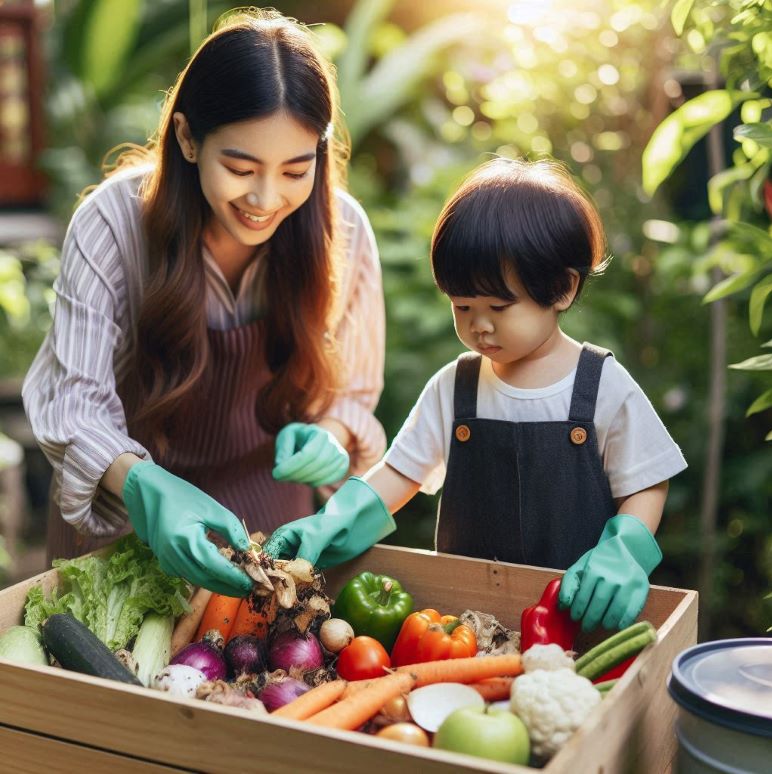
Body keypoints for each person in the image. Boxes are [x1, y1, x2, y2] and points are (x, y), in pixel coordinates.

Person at [22, 9, 386, 597]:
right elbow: (73, 405)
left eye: (296, 170)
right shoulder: (112, 224)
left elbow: (351, 394)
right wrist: (144, 487)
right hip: (124, 525)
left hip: (268, 542)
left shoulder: (342, 228)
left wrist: (332, 435)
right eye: (240, 168)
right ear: (188, 138)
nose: (266, 199)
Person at [265, 157, 687, 632]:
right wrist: (332, 522)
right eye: (462, 306)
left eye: (499, 307)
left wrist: (624, 549)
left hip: (576, 616)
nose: (478, 325)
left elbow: (647, 479)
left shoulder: (601, 385)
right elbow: (400, 473)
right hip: (465, 627)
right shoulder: (456, 387)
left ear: (563, 289)